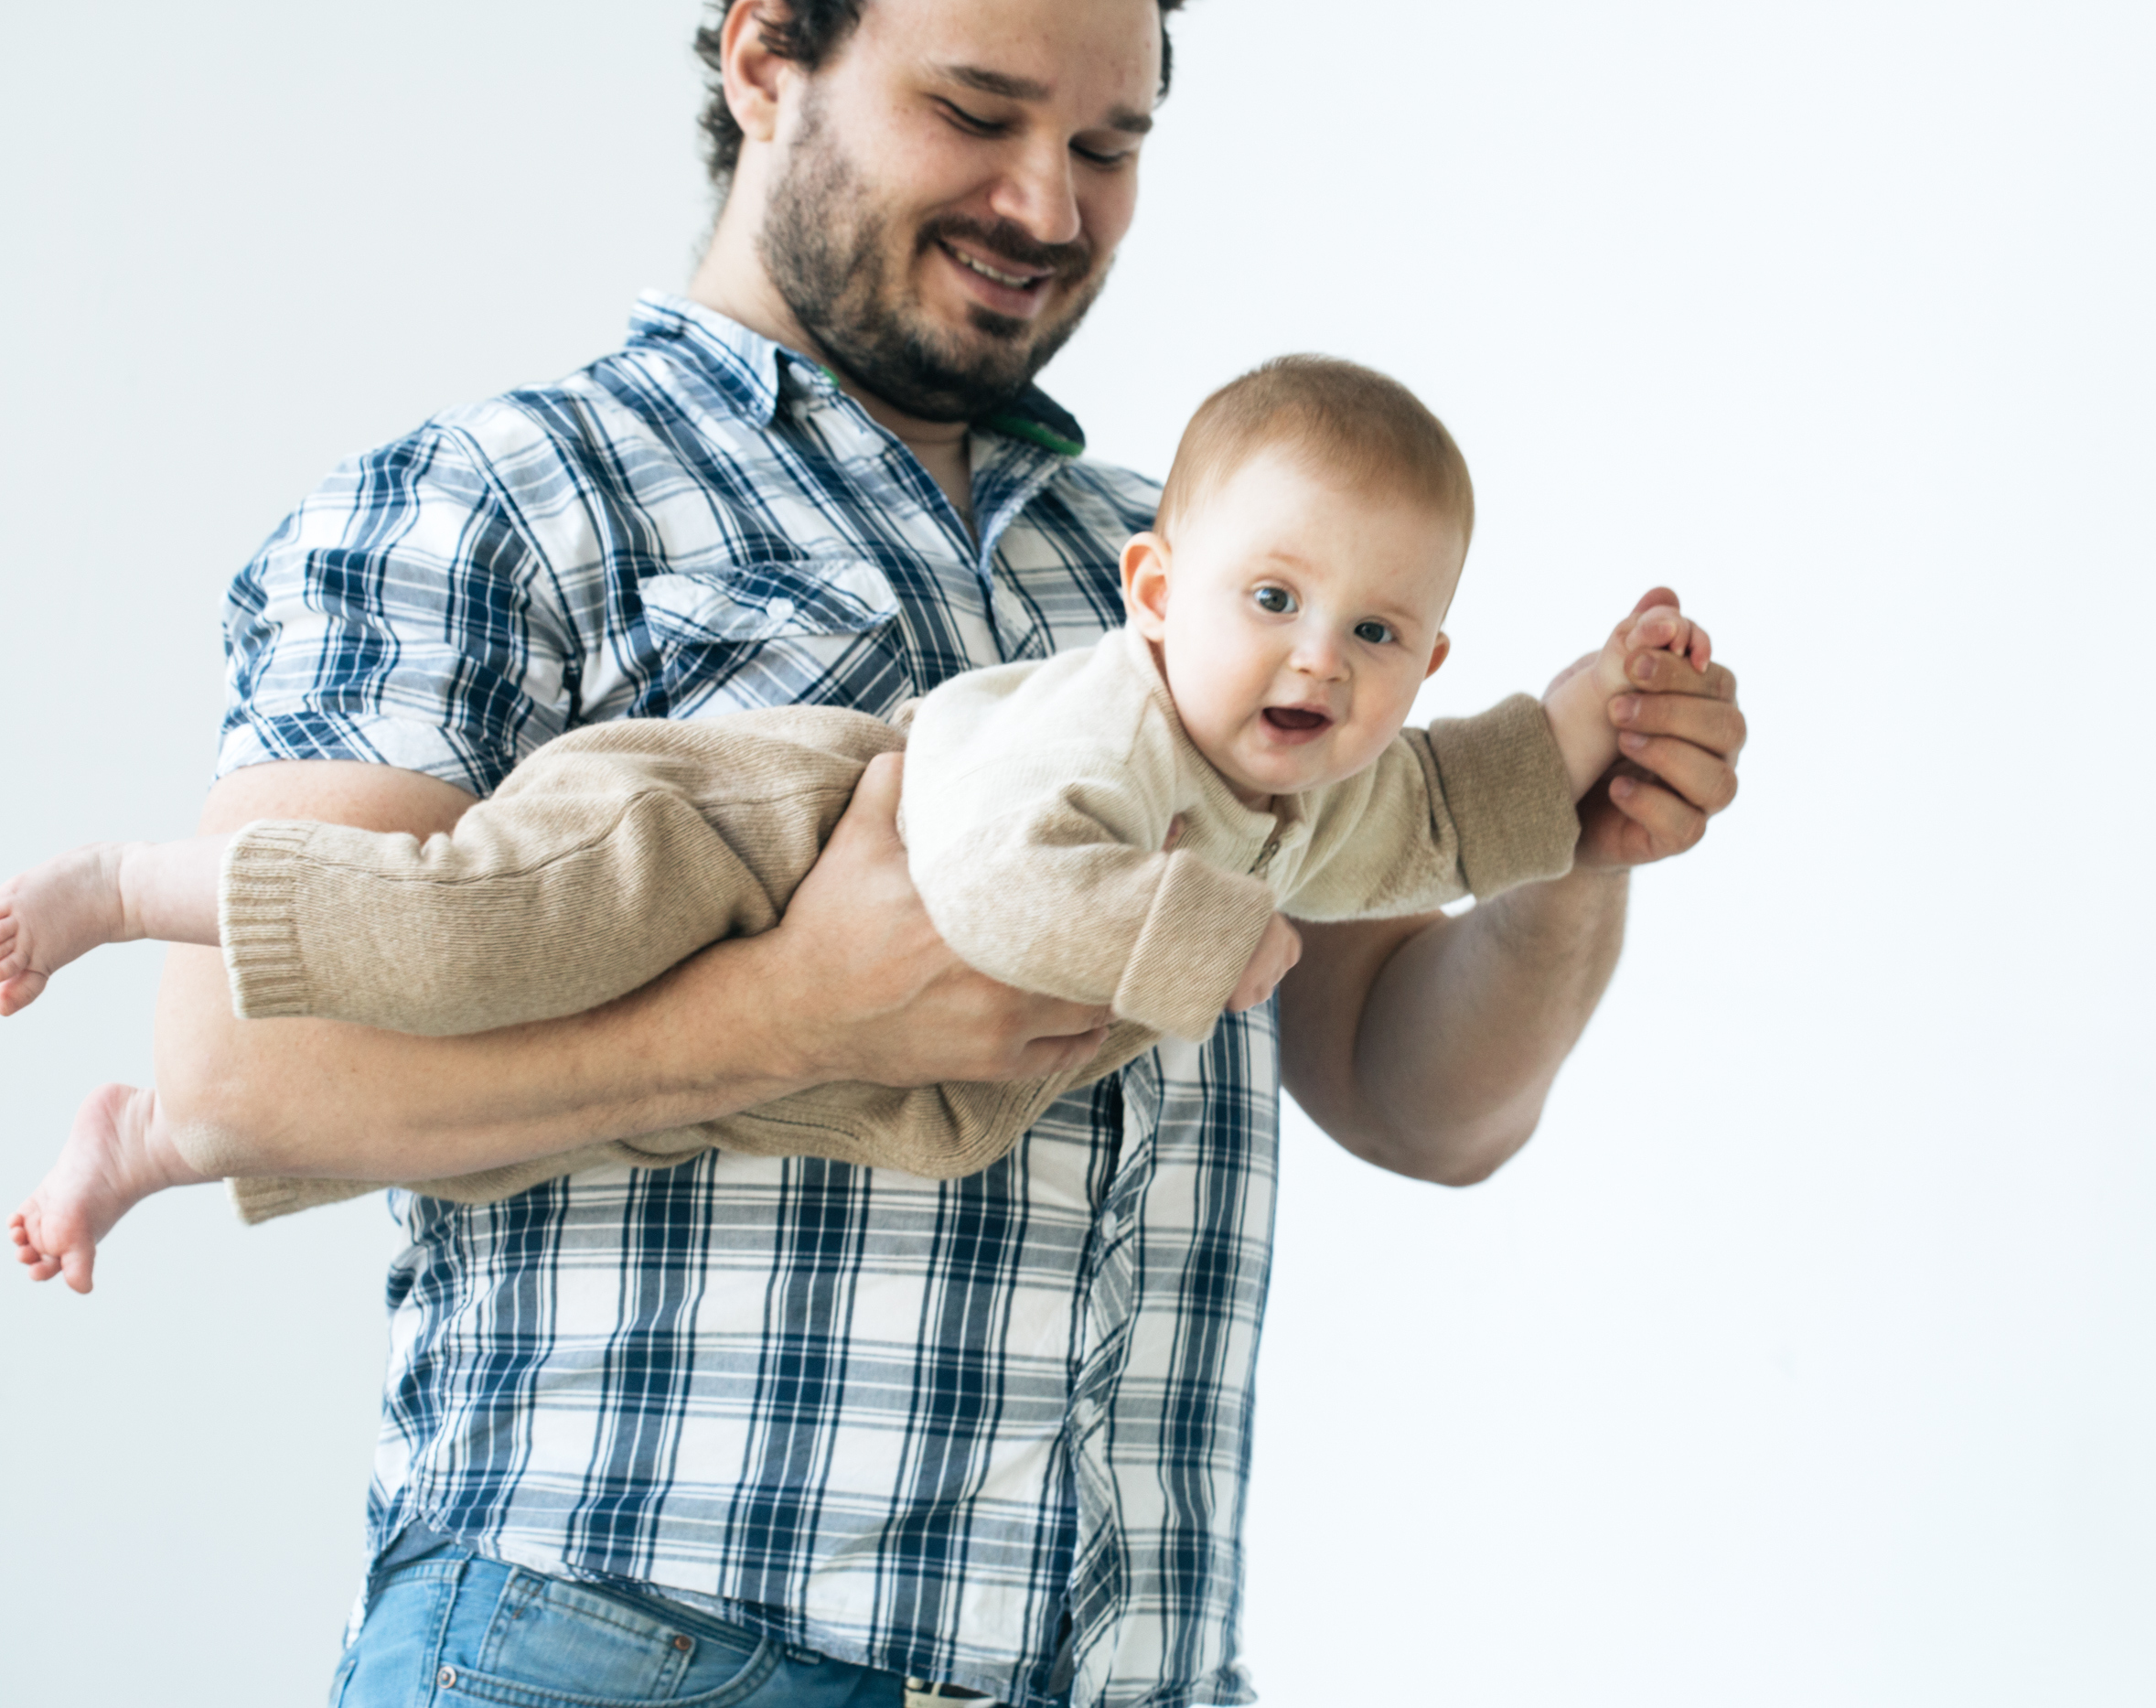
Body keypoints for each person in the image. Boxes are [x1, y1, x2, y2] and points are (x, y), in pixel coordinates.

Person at [63, 0, 1744, 1702]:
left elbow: (1417, 1096)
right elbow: (234, 1070)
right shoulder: (501, 497)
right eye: (977, 110)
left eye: (1108, 146)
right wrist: (793, 1017)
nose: (1046, 206)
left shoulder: (1218, 581)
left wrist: (1574, 855)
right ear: (760, 58)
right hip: (627, 1652)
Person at [4, 356, 1711, 1268]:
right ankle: (112, 884)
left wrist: (1578, 758)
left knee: (570, 1126)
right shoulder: (1123, 701)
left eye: (1379, 638)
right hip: (713, 842)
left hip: (1096, 1645)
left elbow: (1426, 847)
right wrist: (1202, 936)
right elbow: (989, 870)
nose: (1318, 661)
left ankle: (145, 1148)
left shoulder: (1292, 752)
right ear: (1159, 590)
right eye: (978, 106)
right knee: (482, 931)